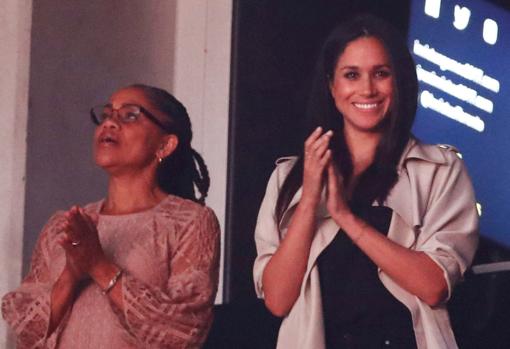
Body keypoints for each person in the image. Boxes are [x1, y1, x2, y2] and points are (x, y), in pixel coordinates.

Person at [253, 14, 479, 349]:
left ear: (398, 81)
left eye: (381, 73)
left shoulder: (439, 170)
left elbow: (434, 286)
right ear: (332, 86)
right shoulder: (288, 177)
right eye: (351, 75)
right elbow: (277, 300)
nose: (367, 89)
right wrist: (310, 199)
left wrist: (346, 217)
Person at [2, 84, 221, 348]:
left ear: (165, 144)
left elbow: (183, 331)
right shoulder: (66, 226)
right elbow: (25, 332)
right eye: (106, 114)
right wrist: (71, 273)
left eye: (130, 115)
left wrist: (99, 266)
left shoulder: (191, 222)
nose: (110, 123)